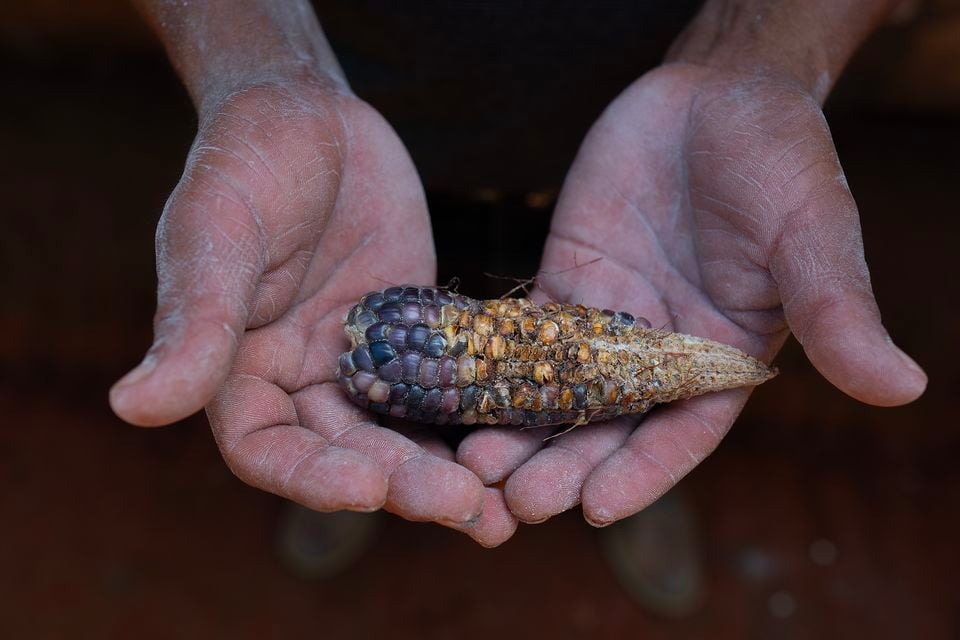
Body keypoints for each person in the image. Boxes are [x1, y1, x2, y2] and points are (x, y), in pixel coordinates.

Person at [109, 0, 926, 556]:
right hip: (364, 172)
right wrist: (262, 59)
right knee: (406, 408)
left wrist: (760, 51)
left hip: (658, 188)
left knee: (606, 380)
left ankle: (635, 480)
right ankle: (357, 493)